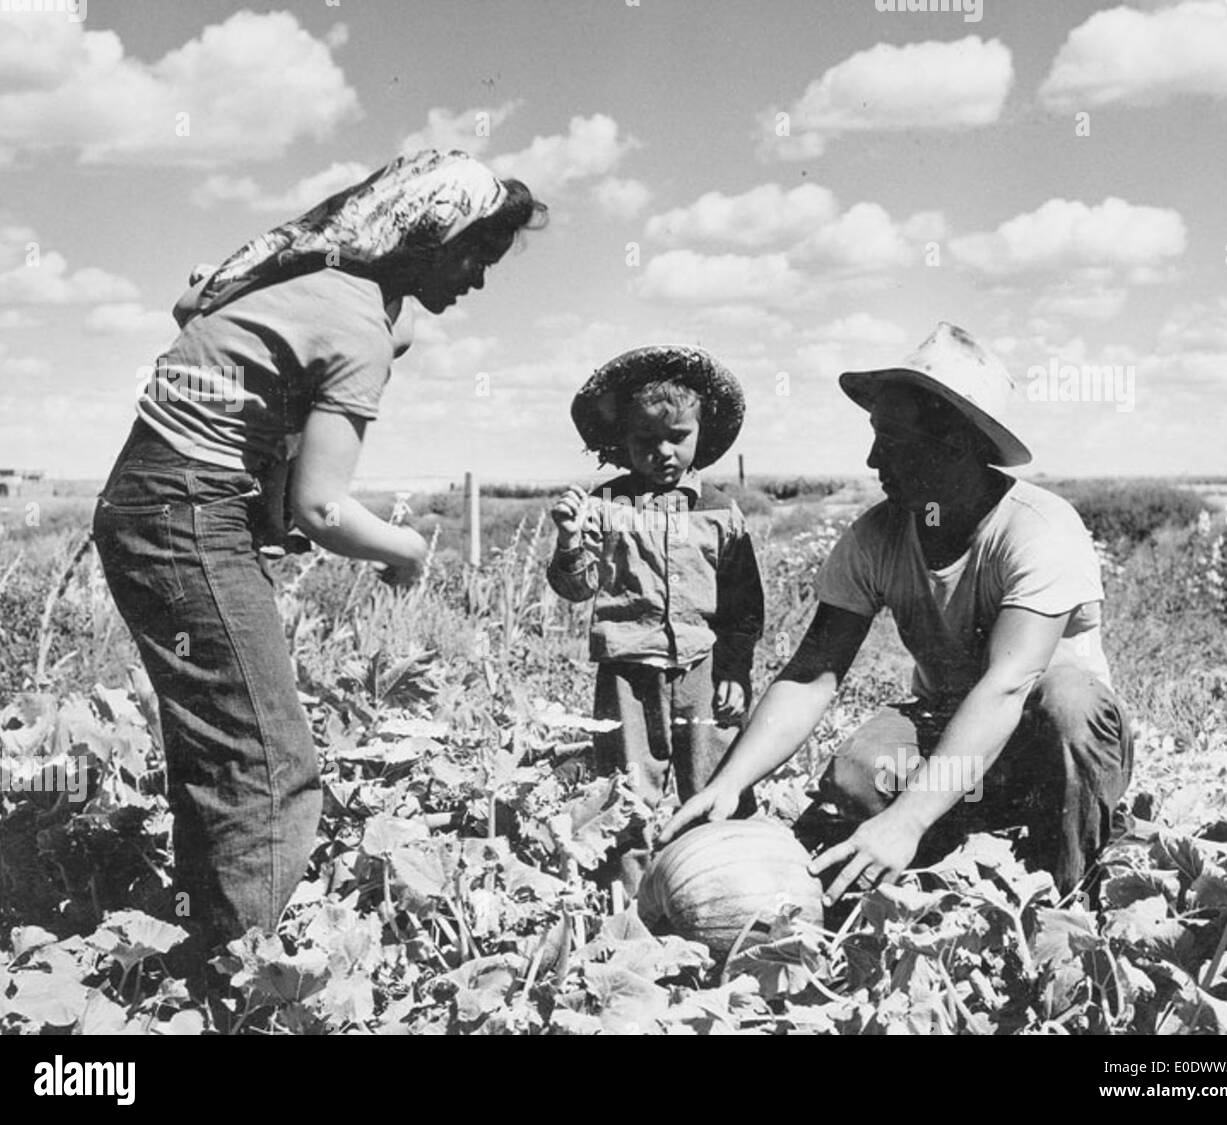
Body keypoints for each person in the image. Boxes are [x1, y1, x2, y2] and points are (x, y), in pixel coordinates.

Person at [92, 150, 547, 959]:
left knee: (221, 745)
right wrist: (405, 550)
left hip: (147, 502)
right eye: (476, 253)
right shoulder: (355, 325)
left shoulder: (300, 274)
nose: (478, 280)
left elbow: (197, 308)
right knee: (271, 761)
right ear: (427, 235)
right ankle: (249, 986)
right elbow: (323, 508)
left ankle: (206, 948)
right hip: (190, 511)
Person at [663, 322, 1133, 904]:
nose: (871, 457)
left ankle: (1069, 895)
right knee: (858, 771)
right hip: (954, 733)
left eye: (891, 439)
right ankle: (952, 868)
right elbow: (813, 674)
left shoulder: (1039, 528)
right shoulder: (879, 535)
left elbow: (1010, 687)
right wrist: (729, 782)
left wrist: (906, 820)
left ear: (957, 443)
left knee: (1068, 701)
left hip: (1049, 741)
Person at [548, 346, 765, 890]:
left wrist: (735, 669)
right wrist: (570, 540)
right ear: (622, 440)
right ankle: (628, 905)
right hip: (627, 668)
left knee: (715, 778)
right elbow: (576, 588)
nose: (663, 452)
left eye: (678, 438)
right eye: (646, 441)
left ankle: (728, 889)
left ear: (699, 433)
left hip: (702, 668)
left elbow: (744, 604)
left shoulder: (719, 509)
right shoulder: (604, 505)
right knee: (625, 787)